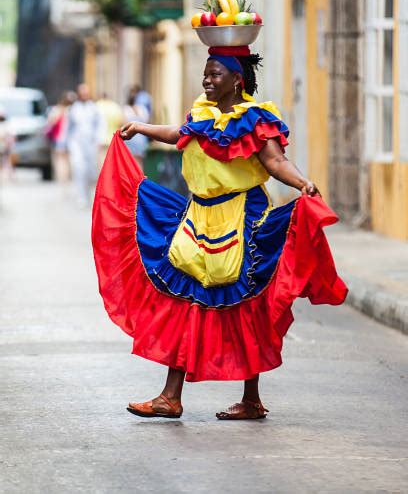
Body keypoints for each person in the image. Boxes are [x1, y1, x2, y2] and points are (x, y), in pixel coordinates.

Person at [92, 46, 347, 420]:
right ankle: (170, 397)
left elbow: (275, 160)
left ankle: (251, 398)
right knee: (185, 297)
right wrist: (141, 128)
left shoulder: (257, 119)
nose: (207, 80)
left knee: (247, 302)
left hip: (244, 216)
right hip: (199, 215)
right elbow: (181, 134)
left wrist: (303, 183)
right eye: (206, 73)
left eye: (215, 75)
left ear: (236, 80)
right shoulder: (202, 113)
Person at [67, 83, 103, 208]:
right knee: (79, 168)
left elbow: (99, 126)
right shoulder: (73, 109)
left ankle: (89, 193)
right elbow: (69, 128)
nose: (84, 95)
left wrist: (98, 140)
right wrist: (69, 143)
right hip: (77, 143)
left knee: (91, 170)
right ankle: (81, 196)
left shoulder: (94, 108)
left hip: (91, 143)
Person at [45, 90, 76, 184]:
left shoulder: (56, 110)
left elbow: (49, 123)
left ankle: (62, 177)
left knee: (59, 159)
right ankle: (68, 176)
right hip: (71, 139)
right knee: (68, 158)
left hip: (58, 138)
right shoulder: (74, 110)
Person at [122, 91, 150, 168]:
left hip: (130, 137)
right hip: (141, 138)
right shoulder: (142, 109)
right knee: (140, 162)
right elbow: (147, 122)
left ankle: (134, 179)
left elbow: (123, 123)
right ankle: (140, 178)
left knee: (131, 163)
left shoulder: (126, 109)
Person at [96, 93, 124, 170]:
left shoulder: (97, 106)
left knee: (101, 158)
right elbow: (121, 122)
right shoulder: (115, 107)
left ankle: (102, 176)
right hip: (113, 136)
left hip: (100, 137)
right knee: (111, 159)